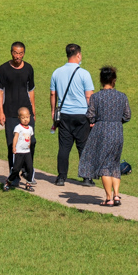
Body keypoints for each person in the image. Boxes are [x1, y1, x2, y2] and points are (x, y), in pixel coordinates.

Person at [81, 66, 131, 206]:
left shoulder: (96, 97)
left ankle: (108, 198)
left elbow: (90, 115)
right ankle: (116, 195)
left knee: (104, 165)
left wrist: (95, 121)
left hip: (102, 131)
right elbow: (127, 116)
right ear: (114, 80)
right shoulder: (122, 96)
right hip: (117, 131)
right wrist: (116, 121)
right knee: (115, 163)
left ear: (101, 80)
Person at [50, 43, 94, 186]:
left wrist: (53, 110)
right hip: (81, 115)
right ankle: (86, 178)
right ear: (78, 55)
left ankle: (61, 177)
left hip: (64, 115)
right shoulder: (84, 73)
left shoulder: (57, 72)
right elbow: (89, 97)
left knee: (64, 147)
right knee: (83, 147)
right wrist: (92, 116)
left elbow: (53, 94)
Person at [0, 42, 37, 180]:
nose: (18, 56)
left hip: (26, 112)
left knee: (31, 141)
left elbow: (31, 91)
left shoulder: (29, 68)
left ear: (24, 53)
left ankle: (26, 170)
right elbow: (0, 92)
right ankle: (14, 174)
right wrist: (1, 112)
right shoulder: (4, 69)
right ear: (11, 52)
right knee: (12, 144)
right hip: (10, 112)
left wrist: (33, 111)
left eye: (20, 53)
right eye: (15, 53)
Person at [3, 107, 35, 191]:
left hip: (27, 152)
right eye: (23, 118)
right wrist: (13, 147)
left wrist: (29, 146)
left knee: (30, 168)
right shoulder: (18, 127)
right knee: (16, 169)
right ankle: (8, 181)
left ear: (29, 116)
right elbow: (15, 137)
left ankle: (28, 183)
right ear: (19, 118)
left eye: (27, 117)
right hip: (19, 152)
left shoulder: (30, 128)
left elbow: (30, 138)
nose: (25, 120)